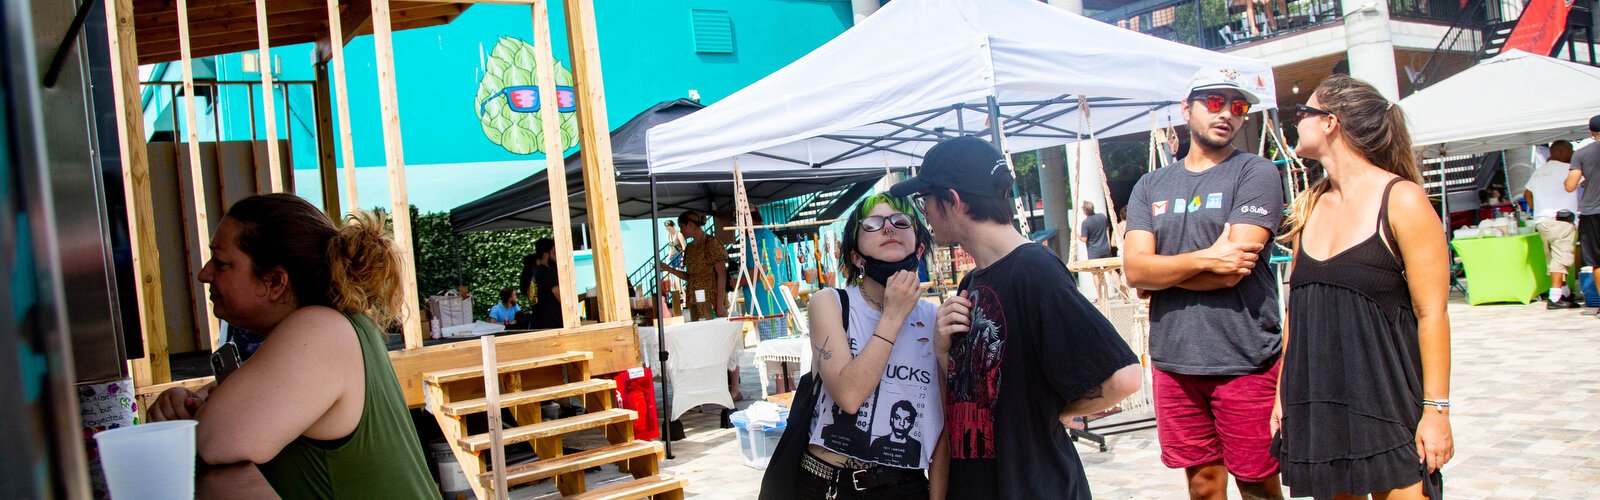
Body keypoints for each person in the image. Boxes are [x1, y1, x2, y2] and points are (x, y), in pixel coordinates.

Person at [891, 136, 1142, 498]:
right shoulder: (972, 280)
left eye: (925, 198)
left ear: (953, 201)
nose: (925, 211)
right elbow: (978, 393)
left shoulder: (1034, 271)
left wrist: (1052, 412)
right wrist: (943, 348)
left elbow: (1124, 377)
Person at [147, 194, 435, 498]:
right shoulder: (337, 324)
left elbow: (216, 441)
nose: (204, 274)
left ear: (274, 282)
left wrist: (197, 412)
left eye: (221, 263)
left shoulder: (320, 331)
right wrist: (192, 400)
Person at [1273, 74, 1454, 499]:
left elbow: (1433, 313)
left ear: (1330, 122)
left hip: (1387, 400)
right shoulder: (1309, 206)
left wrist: (1437, 412)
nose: (1295, 123)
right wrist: (1283, 395)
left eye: (1303, 113)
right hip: (1319, 401)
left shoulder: (1402, 199)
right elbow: (1295, 315)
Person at [1122, 67, 1285, 500]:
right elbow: (1135, 271)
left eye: (1238, 106)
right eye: (1214, 102)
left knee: (1258, 483)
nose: (1227, 113)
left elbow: (1233, 269)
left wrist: (1163, 275)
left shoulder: (1256, 172)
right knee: (1202, 485)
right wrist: (1204, 259)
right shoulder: (1150, 183)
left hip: (1244, 356)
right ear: (1186, 108)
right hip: (1175, 360)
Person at [799, 193, 943, 498]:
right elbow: (849, 396)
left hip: (906, 485)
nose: (889, 228)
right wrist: (892, 315)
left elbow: (942, 426)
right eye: (873, 225)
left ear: (918, 248)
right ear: (855, 256)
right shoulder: (831, 304)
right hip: (830, 483)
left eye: (901, 222)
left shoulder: (936, 319)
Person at [1526, 140, 1582, 308]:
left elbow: (1527, 194)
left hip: (1543, 221)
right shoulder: (1566, 169)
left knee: (1553, 257)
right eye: (1570, 151)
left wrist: (1540, 209)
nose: (1572, 154)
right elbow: (1584, 181)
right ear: (1563, 152)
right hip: (1561, 221)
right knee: (1561, 259)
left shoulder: (1539, 172)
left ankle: (1564, 292)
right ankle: (1555, 298)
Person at [658, 210, 728, 321]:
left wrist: (719, 304)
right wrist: (668, 269)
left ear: (690, 224)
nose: (680, 231)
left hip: (711, 302)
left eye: (682, 227)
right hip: (694, 303)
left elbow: (722, 275)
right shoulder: (690, 247)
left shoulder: (712, 243)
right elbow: (690, 277)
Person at [1565, 114, 1600, 319]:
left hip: (1592, 211)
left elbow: (1570, 185)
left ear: (1590, 132)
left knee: (1597, 261)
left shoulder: (1582, 153)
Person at [522, 238, 563, 329]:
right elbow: (561, 297)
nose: (556, 257)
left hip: (538, 324)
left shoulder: (535, 273)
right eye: (554, 253)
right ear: (545, 255)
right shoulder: (547, 272)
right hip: (552, 325)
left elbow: (531, 296)